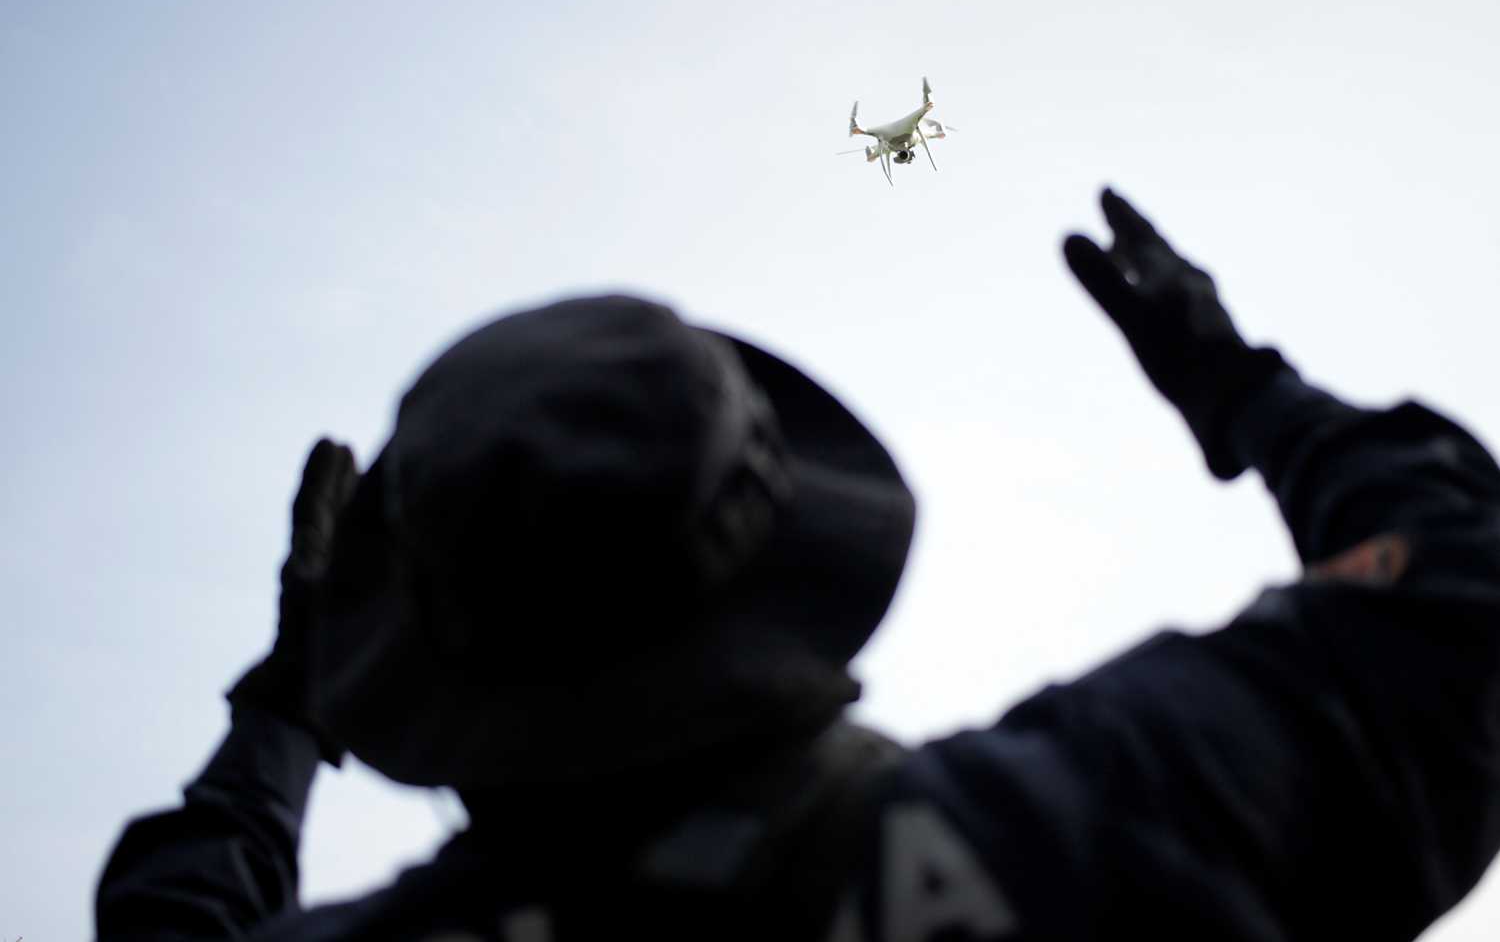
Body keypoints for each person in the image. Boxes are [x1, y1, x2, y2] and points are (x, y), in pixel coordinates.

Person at [96, 190, 1500, 941]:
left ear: (415, 657)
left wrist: (285, 705)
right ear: (782, 561)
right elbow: (1464, 591)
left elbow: (171, 925)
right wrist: (1240, 388)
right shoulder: (1106, 818)